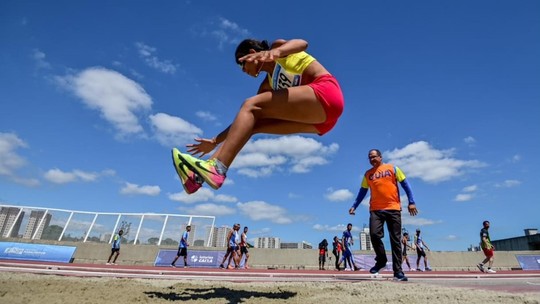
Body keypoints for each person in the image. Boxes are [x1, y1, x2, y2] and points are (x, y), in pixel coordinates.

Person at [172, 38, 345, 193]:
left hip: (327, 92)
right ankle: (197, 178)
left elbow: (303, 43)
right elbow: (245, 121)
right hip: (322, 122)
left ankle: (217, 168)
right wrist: (214, 141)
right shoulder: (266, 86)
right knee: (253, 122)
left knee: (250, 105)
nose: (243, 70)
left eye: (242, 64)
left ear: (252, 54)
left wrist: (275, 52)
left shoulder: (278, 49)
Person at [349, 149, 418, 281]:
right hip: (376, 210)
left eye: (374, 157)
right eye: (369, 158)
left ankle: (398, 272)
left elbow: (406, 185)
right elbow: (362, 192)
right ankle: (381, 260)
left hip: (393, 208)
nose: (372, 159)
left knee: (395, 240)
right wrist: (354, 206)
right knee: (374, 234)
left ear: (380, 157)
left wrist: (411, 202)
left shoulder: (393, 169)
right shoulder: (368, 174)